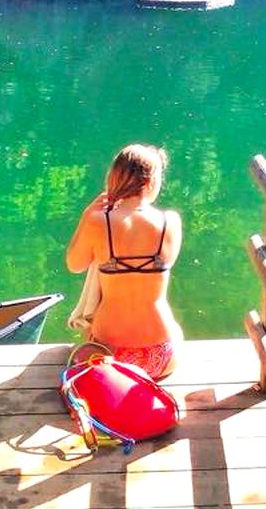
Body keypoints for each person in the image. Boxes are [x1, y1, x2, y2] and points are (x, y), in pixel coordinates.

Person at [66, 144, 184, 379]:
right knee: (176, 332)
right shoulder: (170, 222)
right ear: (150, 182)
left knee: (88, 334)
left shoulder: (98, 222)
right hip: (160, 356)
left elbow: (74, 264)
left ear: (115, 177)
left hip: (110, 356)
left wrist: (86, 216)